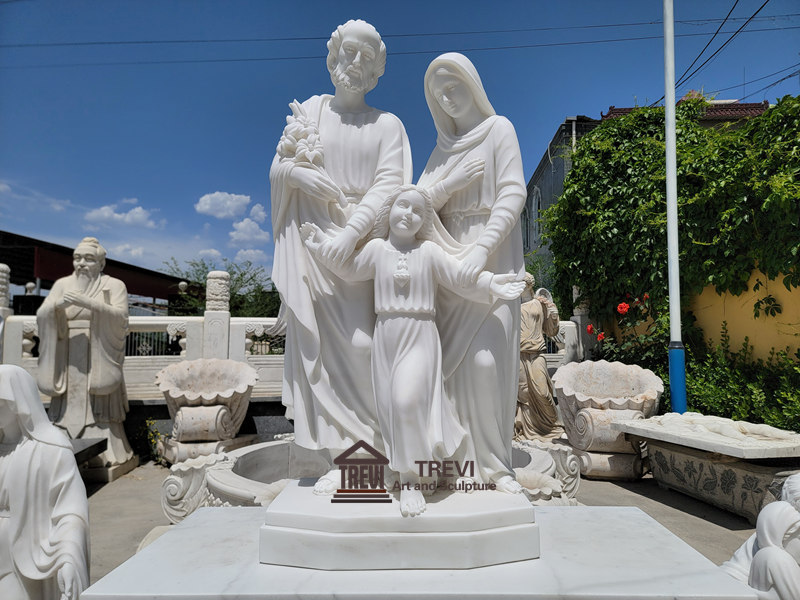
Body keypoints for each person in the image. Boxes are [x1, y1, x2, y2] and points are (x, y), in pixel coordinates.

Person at [302, 185, 525, 516]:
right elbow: (348, 270)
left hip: (420, 334)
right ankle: (406, 468)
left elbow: (459, 279)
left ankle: (410, 481)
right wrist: (320, 247)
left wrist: (490, 284)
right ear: (389, 210)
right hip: (385, 336)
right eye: (402, 205)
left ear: (424, 221)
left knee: (406, 402)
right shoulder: (376, 249)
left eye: (417, 210)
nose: (408, 214)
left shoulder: (429, 253)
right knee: (392, 408)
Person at [270, 20, 412, 495]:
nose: (353, 63)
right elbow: (279, 167)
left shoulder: (387, 124)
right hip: (314, 248)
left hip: (361, 249)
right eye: (347, 53)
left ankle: (380, 449)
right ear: (332, 57)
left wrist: (350, 233)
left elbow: (392, 184)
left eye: (365, 58)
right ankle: (348, 461)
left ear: (376, 72)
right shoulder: (310, 111)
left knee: (364, 348)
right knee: (322, 355)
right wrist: (297, 176)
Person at [417, 52, 527, 493]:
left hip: (492, 261)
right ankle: (452, 465)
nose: (447, 97)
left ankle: (495, 467)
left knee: (484, 363)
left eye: (454, 86)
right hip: (447, 272)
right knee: (444, 373)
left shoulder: (499, 130)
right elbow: (415, 203)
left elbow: (513, 191)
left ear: (473, 85)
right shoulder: (441, 151)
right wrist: (451, 180)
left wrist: (482, 249)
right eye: (438, 93)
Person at [36, 237, 134, 468]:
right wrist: (56, 308)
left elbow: (121, 318)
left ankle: (108, 449)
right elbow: (43, 313)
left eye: (89, 259)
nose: (81, 263)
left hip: (99, 353)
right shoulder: (62, 284)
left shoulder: (114, 285)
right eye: (77, 258)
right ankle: (60, 442)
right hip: (66, 351)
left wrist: (88, 303)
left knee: (100, 407)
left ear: (101, 264)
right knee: (66, 404)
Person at [0, 364, 89, 600]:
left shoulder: (51, 450)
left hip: (22, 558)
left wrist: (68, 557)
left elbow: (71, 513)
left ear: (17, 403)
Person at [515, 273, 561, 439]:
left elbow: (551, 331)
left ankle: (551, 425)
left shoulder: (539, 303)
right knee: (524, 393)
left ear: (528, 285)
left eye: (521, 283)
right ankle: (528, 430)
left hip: (537, 353)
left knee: (542, 391)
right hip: (518, 354)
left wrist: (553, 315)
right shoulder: (511, 304)